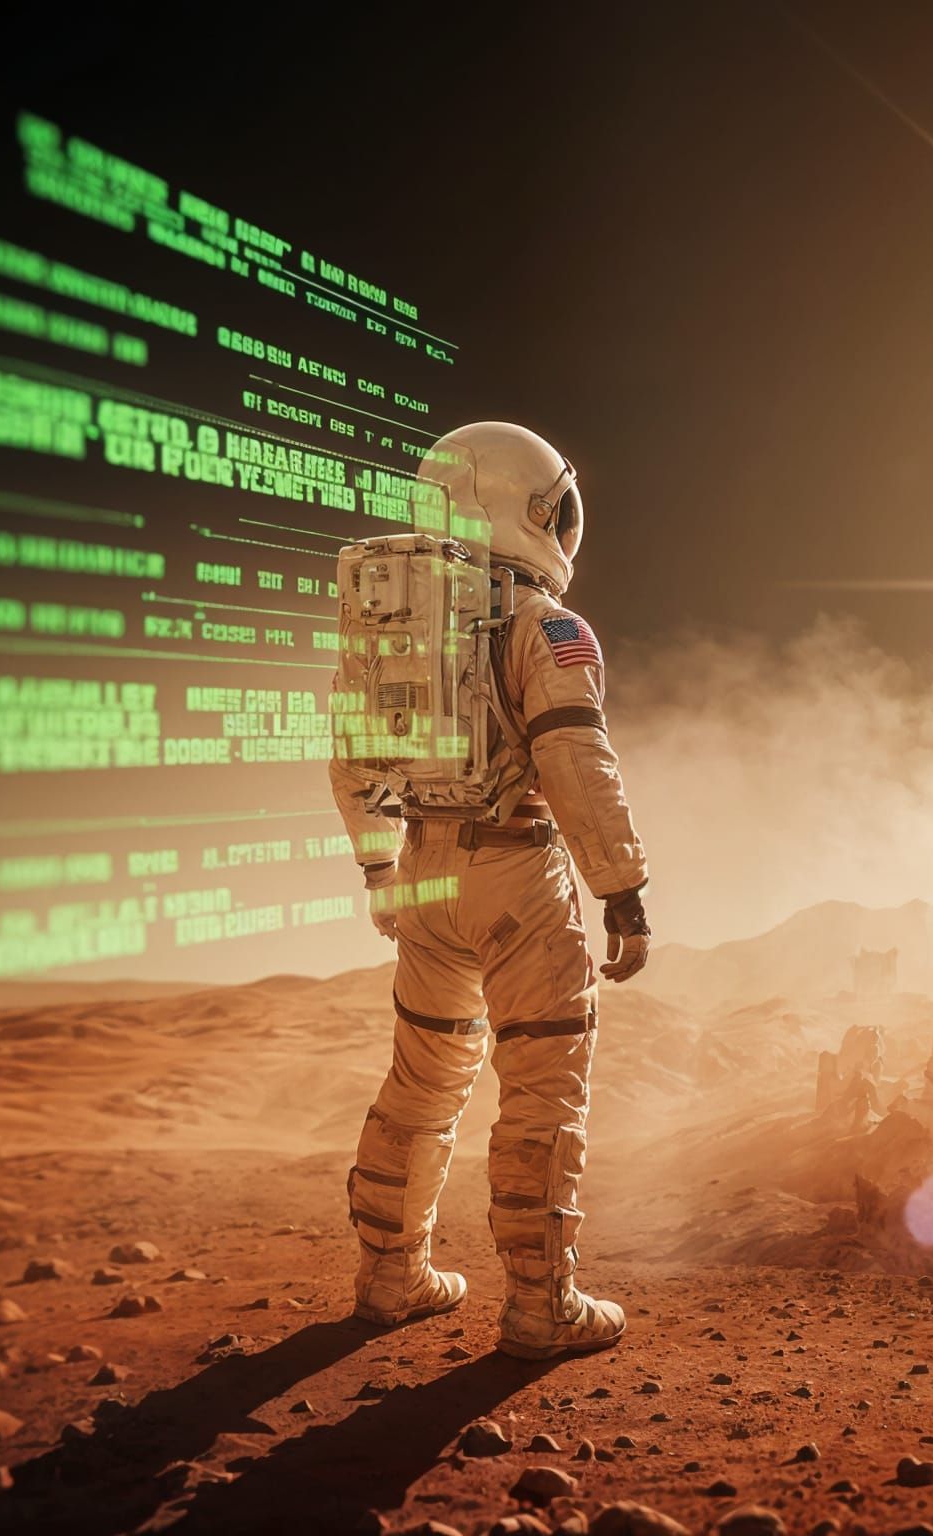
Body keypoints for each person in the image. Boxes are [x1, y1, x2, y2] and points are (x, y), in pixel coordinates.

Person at [328, 422, 651, 1360]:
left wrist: (380, 869)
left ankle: (391, 1277)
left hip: (424, 873)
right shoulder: (543, 627)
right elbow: (576, 761)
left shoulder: (389, 624)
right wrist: (622, 888)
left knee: (422, 1083)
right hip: (519, 874)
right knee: (543, 1085)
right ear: (532, 509)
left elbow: (348, 764)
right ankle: (541, 1305)